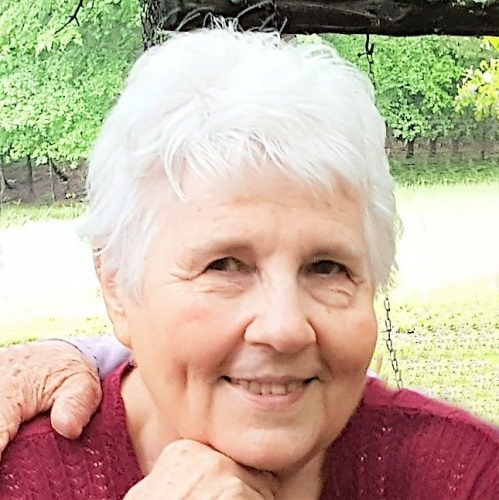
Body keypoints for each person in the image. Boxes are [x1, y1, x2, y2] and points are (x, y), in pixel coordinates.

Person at [0, 25, 498, 499]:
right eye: (224, 265)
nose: (284, 329)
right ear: (116, 287)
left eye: (326, 268)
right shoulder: (19, 476)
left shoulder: (467, 477)